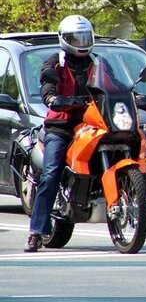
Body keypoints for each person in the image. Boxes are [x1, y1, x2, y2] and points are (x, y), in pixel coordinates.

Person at [24, 15, 95, 252]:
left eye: (85, 37)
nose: (82, 42)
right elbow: (47, 83)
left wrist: (131, 95)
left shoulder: (97, 63)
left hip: (89, 125)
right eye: (77, 38)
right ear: (65, 39)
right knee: (51, 173)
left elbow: (113, 85)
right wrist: (52, 97)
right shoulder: (55, 62)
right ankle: (36, 232)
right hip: (61, 126)